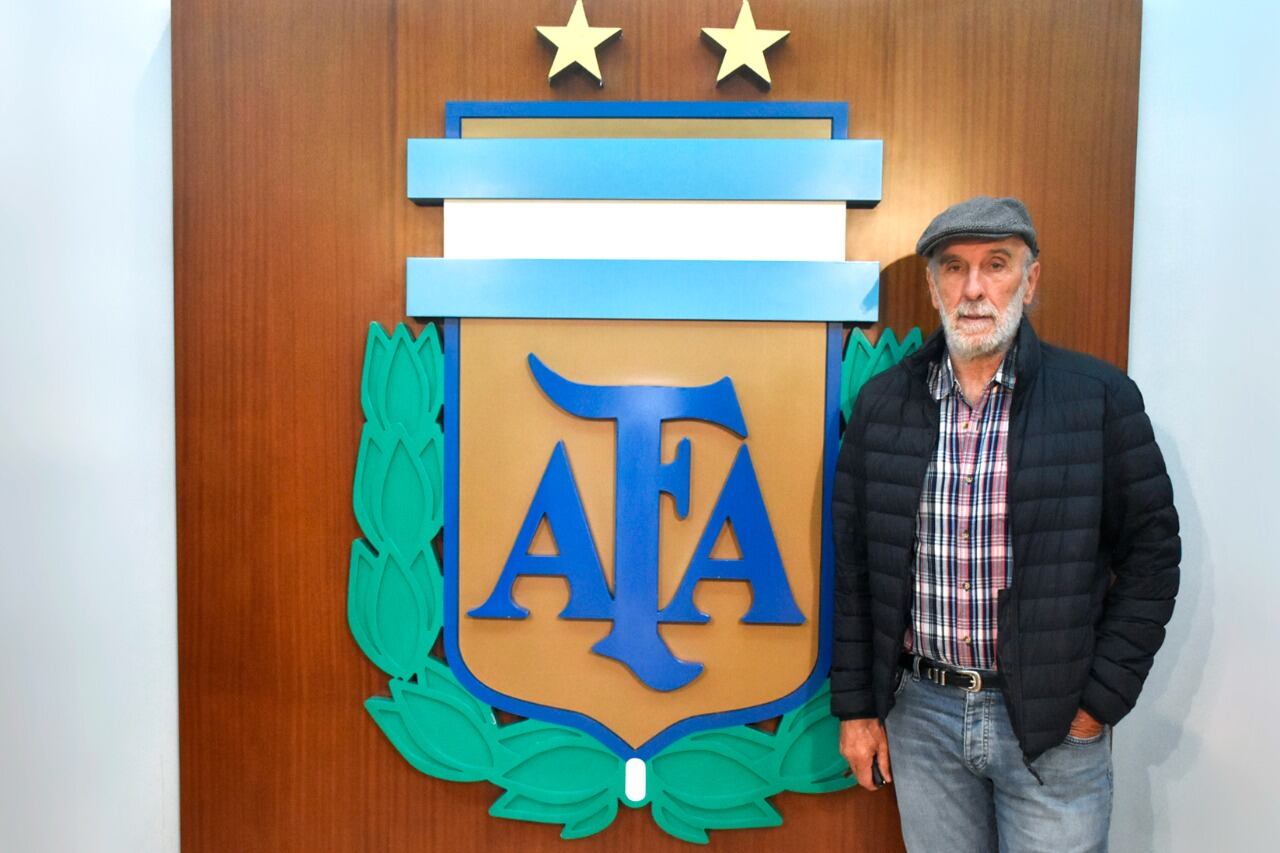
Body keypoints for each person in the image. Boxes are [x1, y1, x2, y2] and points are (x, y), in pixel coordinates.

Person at [829, 196, 1180, 851]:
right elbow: (854, 566)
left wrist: (1099, 700)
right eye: (954, 267)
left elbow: (1153, 555)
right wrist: (857, 706)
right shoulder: (884, 406)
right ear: (933, 284)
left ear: (1031, 277)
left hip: (1052, 724)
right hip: (923, 716)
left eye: (996, 265)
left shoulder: (1099, 399)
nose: (973, 288)